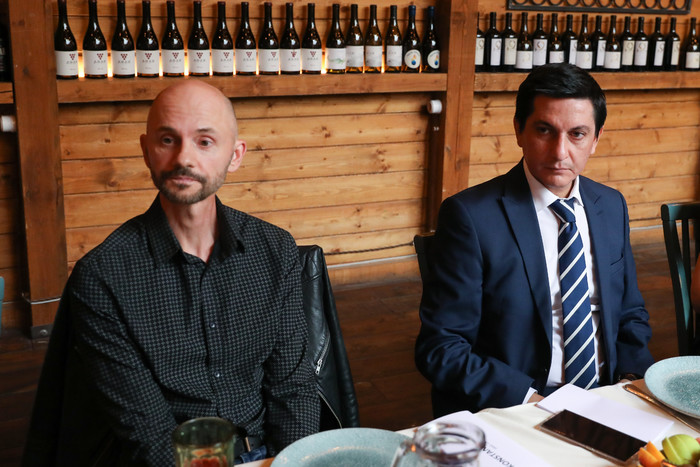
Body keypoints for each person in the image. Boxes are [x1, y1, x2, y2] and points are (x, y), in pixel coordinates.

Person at [23, 80, 320, 465]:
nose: (184, 158)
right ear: (147, 150)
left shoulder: (275, 249)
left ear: (235, 155)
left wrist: (293, 462)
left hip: (268, 454)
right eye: (168, 140)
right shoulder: (102, 276)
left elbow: (292, 388)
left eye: (204, 141)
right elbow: (147, 432)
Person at [415, 63, 654, 416]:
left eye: (577, 134)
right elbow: (442, 347)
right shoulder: (470, 217)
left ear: (596, 139)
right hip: (522, 405)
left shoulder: (611, 205)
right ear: (518, 130)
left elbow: (630, 314)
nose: (560, 152)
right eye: (544, 130)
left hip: (609, 396)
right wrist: (533, 403)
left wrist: (630, 383)